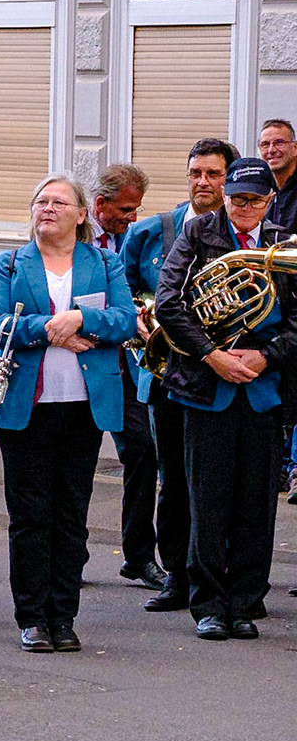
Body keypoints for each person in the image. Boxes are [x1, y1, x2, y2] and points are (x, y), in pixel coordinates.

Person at [0, 176, 138, 652]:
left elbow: (126, 319)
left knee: (72, 513)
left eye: (58, 202)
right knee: (30, 515)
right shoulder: (7, 264)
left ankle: (63, 616)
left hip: (83, 407)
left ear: (82, 214)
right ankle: (31, 616)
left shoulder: (105, 262)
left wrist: (82, 319)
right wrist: (53, 328)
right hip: (26, 407)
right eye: (41, 202)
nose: (47, 209)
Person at [154, 156, 294, 642]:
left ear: (269, 200)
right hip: (206, 385)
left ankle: (246, 602)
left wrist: (266, 355)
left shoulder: (282, 241)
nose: (245, 207)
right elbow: (168, 301)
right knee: (206, 500)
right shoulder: (196, 235)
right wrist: (212, 354)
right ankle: (209, 604)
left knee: (256, 504)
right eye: (238, 199)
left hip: (262, 387)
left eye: (255, 200)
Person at [122, 138, 233, 613]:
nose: (203, 183)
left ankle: (219, 574)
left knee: (214, 480)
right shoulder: (152, 231)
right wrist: (138, 313)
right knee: (172, 478)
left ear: (228, 179)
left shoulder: (240, 233)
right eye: (196, 173)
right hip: (165, 375)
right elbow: (120, 288)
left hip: (218, 374)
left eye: (213, 174)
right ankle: (176, 578)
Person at [87, 164, 168, 592]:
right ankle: (71, 553)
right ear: (99, 205)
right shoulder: (71, 234)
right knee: (76, 462)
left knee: (144, 451)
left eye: (135, 209)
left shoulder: (139, 239)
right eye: (125, 209)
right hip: (89, 364)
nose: (132, 217)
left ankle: (138, 556)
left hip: (132, 367)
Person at [260, 120, 297, 230]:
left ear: (295, 148)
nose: (271, 150)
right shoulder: (260, 187)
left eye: (279, 143)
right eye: (265, 145)